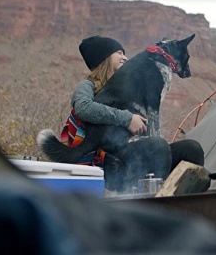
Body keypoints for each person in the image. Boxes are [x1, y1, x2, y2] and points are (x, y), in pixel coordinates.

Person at [59, 35, 204, 194]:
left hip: (138, 149)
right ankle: (160, 205)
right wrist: (127, 119)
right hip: (110, 159)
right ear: (104, 58)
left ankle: (189, 201)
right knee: (158, 146)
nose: (125, 58)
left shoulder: (134, 84)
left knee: (191, 148)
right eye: (119, 53)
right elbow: (84, 108)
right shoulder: (87, 86)